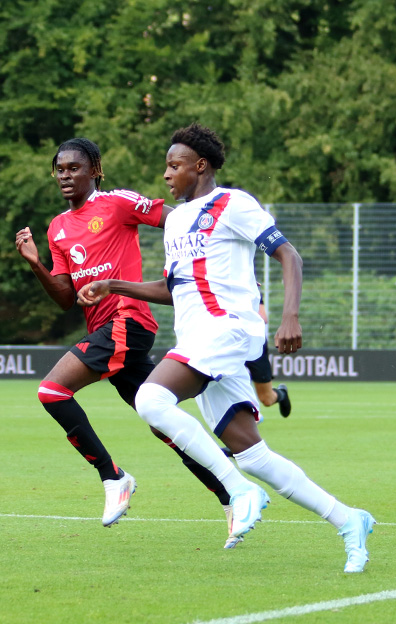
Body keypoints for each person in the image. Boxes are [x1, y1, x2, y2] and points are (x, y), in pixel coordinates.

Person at [78, 123, 375, 572]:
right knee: (252, 453)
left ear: (200, 166)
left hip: (230, 329)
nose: (166, 174)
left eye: (174, 165)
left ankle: (237, 491)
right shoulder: (176, 221)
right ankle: (349, 519)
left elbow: (288, 255)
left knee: (150, 398)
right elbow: (174, 285)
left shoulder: (232, 203)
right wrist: (113, 285)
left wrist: (289, 315)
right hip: (199, 340)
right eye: (165, 166)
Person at [15, 137, 233, 529]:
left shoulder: (116, 203)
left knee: (51, 390)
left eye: (74, 168)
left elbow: (175, 218)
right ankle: (230, 495)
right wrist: (36, 266)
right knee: (163, 423)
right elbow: (66, 299)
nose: (65, 176)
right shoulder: (58, 228)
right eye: (60, 170)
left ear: (94, 170)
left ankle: (113, 477)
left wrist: (201, 259)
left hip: (128, 322)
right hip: (104, 329)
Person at [245, 298, 291, 417]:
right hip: (228, 343)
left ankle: (282, 394)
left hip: (253, 343)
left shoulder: (250, 285)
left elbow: (263, 317)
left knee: (267, 398)